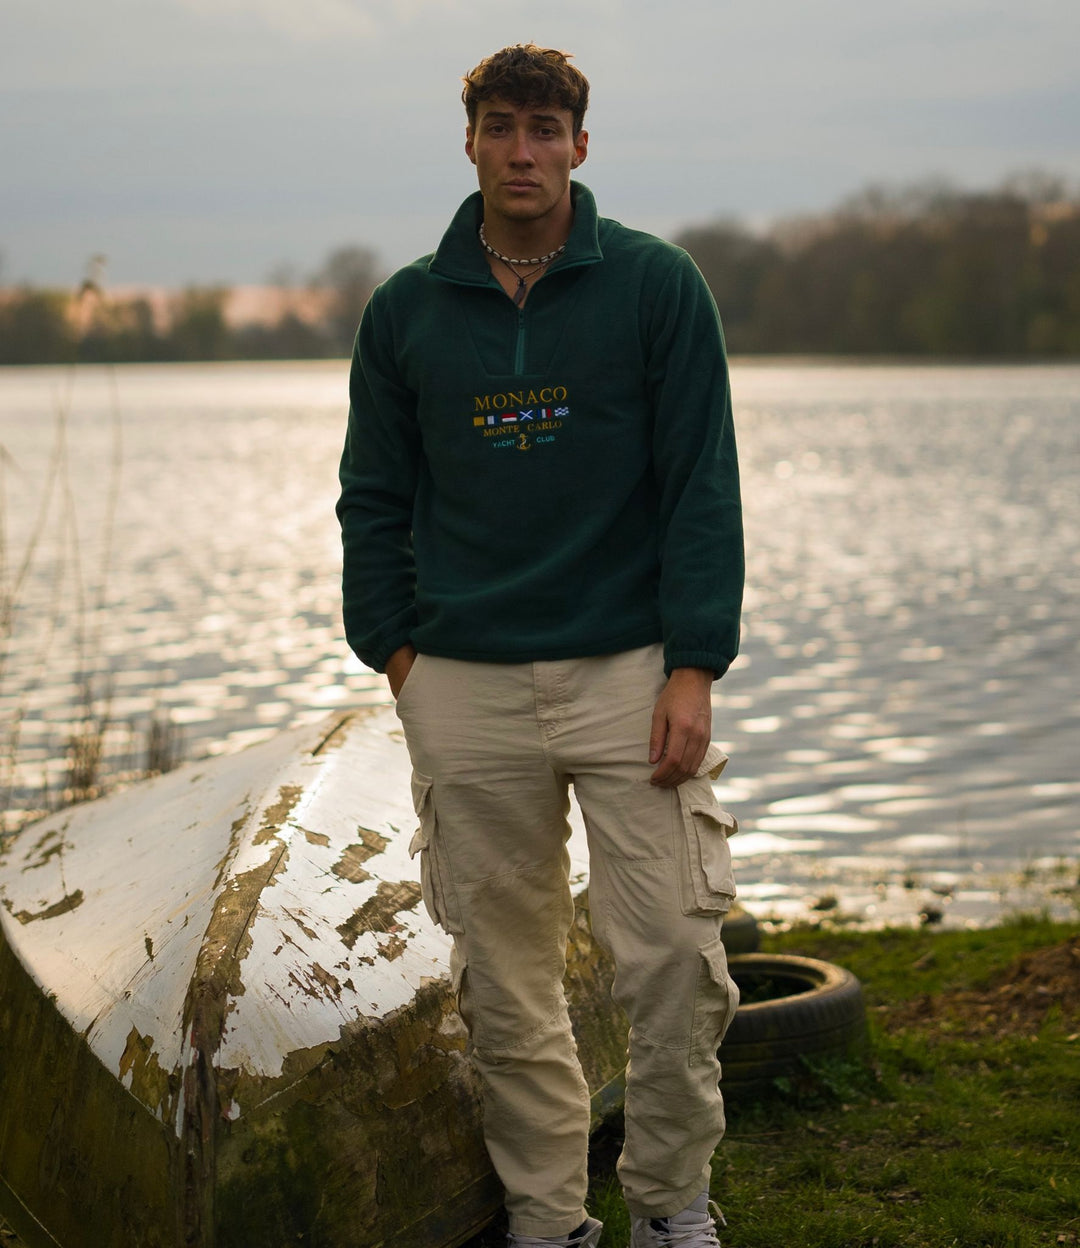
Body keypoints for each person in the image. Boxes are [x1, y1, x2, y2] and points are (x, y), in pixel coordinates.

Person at [337, 43, 744, 1248]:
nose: (524, 151)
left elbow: (701, 486)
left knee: (674, 954)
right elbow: (372, 496)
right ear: (469, 142)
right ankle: (547, 1219)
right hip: (462, 681)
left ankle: (673, 1205)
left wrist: (693, 665)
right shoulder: (407, 309)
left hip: (628, 669)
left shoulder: (656, 287)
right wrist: (396, 657)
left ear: (581, 144)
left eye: (546, 129)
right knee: (507, 980)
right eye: (502, 128)